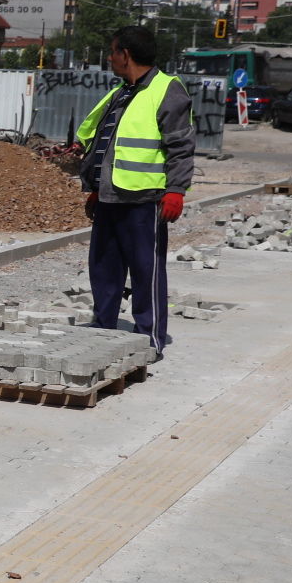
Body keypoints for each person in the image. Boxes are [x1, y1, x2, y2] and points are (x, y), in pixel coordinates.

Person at [77, 24, 194, 358]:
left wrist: (176, 190)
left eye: (113, 52)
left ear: (125, 55)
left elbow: (181, 147)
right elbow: (107, 145)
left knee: (146, 272)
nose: (110, 58)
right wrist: (97, 188)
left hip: (143, 201)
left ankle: (149, 339)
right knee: (104, 270)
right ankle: (104, 329)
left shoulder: (166, 90)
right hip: (111, 197)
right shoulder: (123, 92)